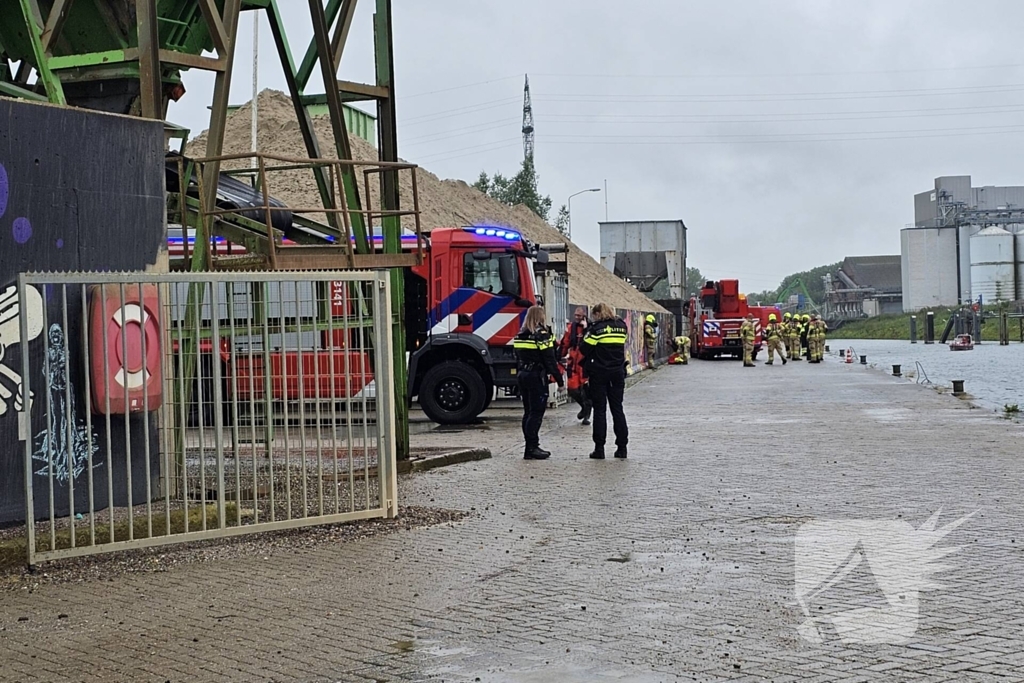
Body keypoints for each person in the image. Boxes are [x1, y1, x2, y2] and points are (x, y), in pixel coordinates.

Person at [513, 306, 563, 460]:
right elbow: (550, 359)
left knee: (528, 412)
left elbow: (516, 357)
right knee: (536, 413)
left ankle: (530, 446)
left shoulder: (520, 335)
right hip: (536, 376)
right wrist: (560, 381)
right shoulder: (541, 335)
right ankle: (532, 448)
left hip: (523, 375)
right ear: (540, 317)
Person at [581, 303, 629, 459]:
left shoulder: (596, 329)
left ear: (596, 314)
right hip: (617, 373)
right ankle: (622, 448)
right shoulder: (622, 326)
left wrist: (586, 330)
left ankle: (599, 449)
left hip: (599, 374)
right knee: (617, 409)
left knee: (600, 410)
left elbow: (584, 349)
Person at [558, 306, 592, 425]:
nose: (577, 317)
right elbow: (565, 343)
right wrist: (559, 356)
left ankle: (587, 414)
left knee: (586, 390)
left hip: (585, 363)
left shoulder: (590, 327)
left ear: (584, 315)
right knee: (572, 390)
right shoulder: (570, 328)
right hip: (573, 362)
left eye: (579, 315)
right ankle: (584, 407)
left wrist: (585, 329)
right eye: (576, 315)